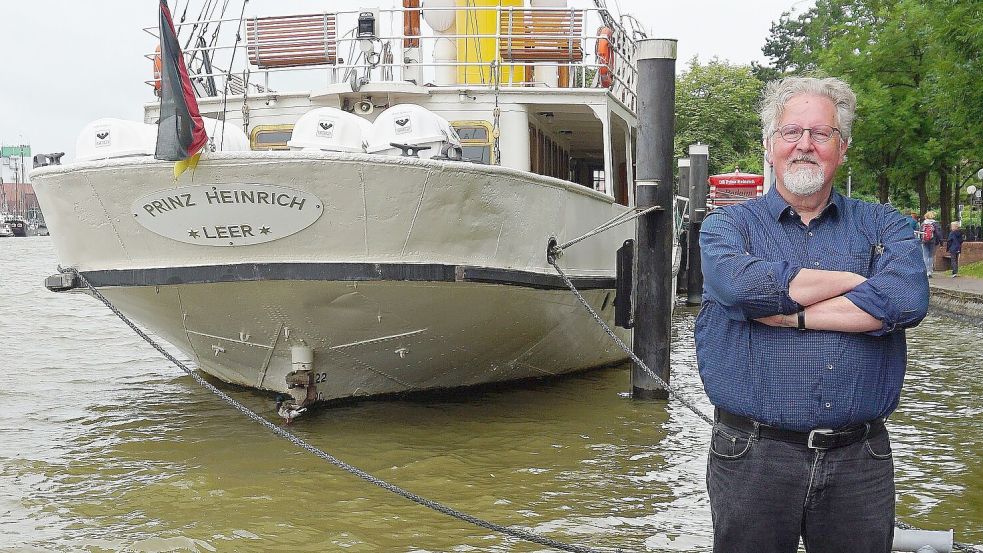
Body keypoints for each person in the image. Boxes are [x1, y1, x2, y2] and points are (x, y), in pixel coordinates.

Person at [696, 76, 929, 553]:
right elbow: (739, 289)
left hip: (859, 460)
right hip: (751, 456)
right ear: (769, 145)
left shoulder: (885, 224)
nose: (805, 145)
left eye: (821, 134)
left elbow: (905, 299)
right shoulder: (726, 227)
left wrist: (791, 313)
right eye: (791, 132)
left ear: (842, 148)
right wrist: (853, 281)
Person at [920, 211, 943, 277]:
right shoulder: (935, 223)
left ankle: (926, 271)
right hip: (933, 241)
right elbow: (938, 233)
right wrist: (941, 242)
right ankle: (929, 271)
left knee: (925, 256)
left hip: (924, 241)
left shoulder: (923, 224)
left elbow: (920, 233)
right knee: (931, 256)